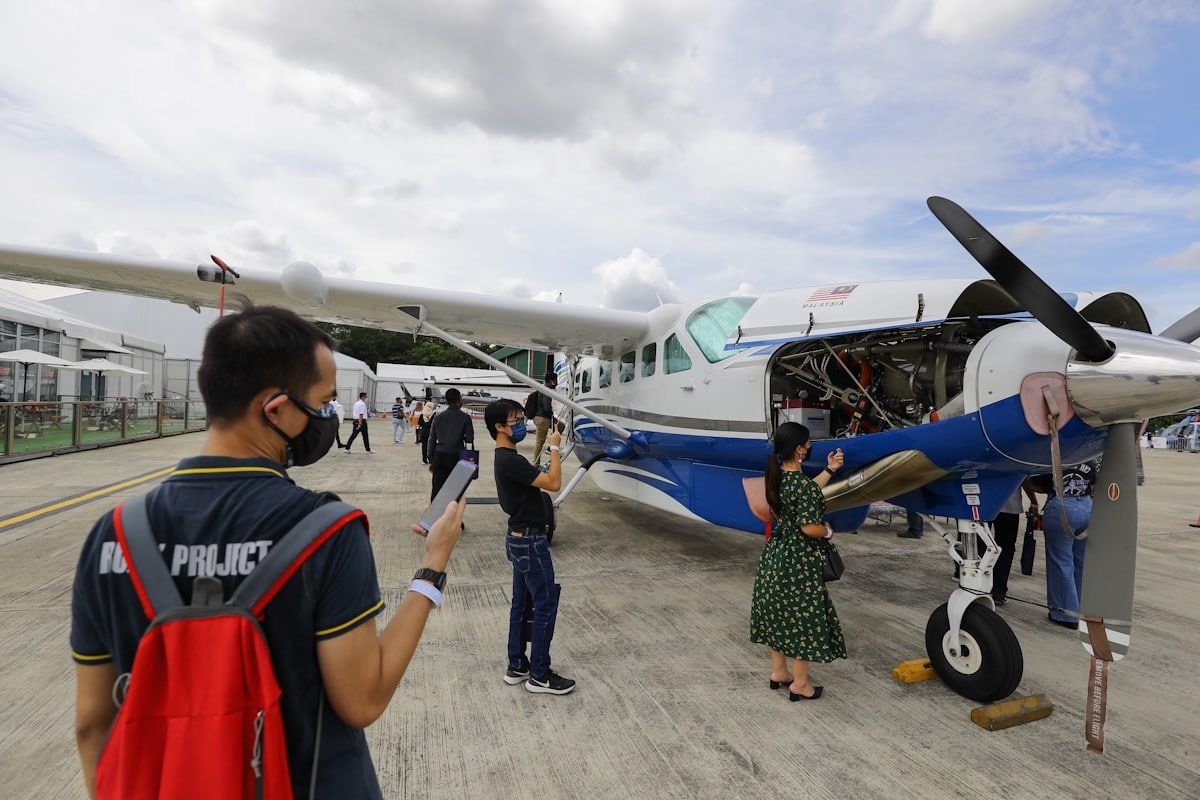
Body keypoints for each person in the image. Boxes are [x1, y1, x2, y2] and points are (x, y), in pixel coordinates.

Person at [70, 305, 466, 798]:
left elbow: (92, 724)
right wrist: (431, 570)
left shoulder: (112, 536)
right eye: (321, 404)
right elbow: (362, 699)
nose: (326, 418)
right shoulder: (328, 530)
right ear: (276, 409)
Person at [485, 398, 575, 695]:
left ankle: (517, 665)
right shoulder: (511, 461)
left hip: (518, 538)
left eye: (522, 418)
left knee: (520, 604)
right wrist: (555, 446)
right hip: (531, 542)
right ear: (499, 427)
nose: (521, 424)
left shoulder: (506, 458)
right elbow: (553, 483)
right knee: (545, 604)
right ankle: (540, 674)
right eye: (515, 421)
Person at [750, 422, 846, 701]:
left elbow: (807, 492)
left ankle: (780, 673)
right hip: (798, 561)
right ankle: (801, 684)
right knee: (804, 620)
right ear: (799, 449)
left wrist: (830, 470)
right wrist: (828, 530)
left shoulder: (778, 477)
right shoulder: (801, 486)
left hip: (775, 556)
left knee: (779, 616)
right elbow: (809, 526)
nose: (810, 447)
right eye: (807, 443)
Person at [1031, 460, 1098, 628]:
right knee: (1080, 561)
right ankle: (1081, 607)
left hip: (1061, 506)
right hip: (1087, 507)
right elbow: (1096, 482)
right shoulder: (1088, 460)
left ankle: (1065, 613)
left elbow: (1034, 484)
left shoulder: (1052, 460)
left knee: (1061, 561)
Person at [426, 389, 475, 500]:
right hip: (457, 457)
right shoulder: (465, 417)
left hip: (440, 456)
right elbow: (469, 440)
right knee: (456, 491)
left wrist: (431, 459)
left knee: (437, 490)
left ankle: (435, 516)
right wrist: (470, 460)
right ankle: (454, 516)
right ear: (459, 399)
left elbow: (432, 439)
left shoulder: (438, 417)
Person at [530, 373, 557, 466]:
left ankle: (550, 447)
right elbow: (546, 407)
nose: (557, 382)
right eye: (555, 380)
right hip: (543, 418)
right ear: (551, 381)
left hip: (541, 417)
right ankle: (536, 463)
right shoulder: (546, 390)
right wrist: (552, 415)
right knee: (540, 442)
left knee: (560, 426)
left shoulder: (542, 388)